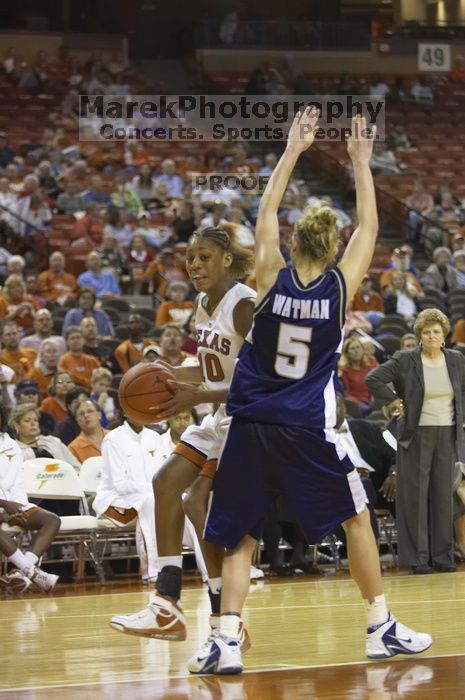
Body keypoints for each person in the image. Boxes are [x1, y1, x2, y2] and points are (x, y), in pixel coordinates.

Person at [191, 111, 432, 674]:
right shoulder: (340, 287)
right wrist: (360, 163)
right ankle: (380, 626)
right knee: (356, 519)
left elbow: (266, 209)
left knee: (243, 533)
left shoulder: (270, 276)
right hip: (306, 427)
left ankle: (226, 639)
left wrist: (293, 150)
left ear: (294, 241)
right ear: (332, 248)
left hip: (250, 424)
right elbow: (370, 227)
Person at [109, 223, 256, 660]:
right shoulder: (202, 303)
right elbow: (209, 370)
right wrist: (163, 378)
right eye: (190, 257)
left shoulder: (244, 304)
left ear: (227, 259)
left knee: (197, 504)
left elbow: (262, 381)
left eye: (203, 256)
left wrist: (197, 396)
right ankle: (167, 601)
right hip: (217, 413)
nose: (193, 264)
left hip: (245, 419)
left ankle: (221, 621)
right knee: (164, 483)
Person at [366, 308, 465, 575]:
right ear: (419, 335)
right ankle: (419, 559)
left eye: (436, 331)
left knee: (443, 497)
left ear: (444, 335)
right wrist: (394, 401)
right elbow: (373, 378)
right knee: (416, 499)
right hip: (414, 435)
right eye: (426, 332)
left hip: (447, 434)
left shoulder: (456, 359)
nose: (431, 336)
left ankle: (443, 557)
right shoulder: (405, 359)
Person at [0, 405, 61, 595]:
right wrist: (3, 510)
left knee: (52, 519)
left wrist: (17, 509)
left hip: (14, 503)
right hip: (3, 505)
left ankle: (22, 572)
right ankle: (31, 571)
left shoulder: (12, 445)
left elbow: (18, 483)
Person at [68, 399, 108, 463]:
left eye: (90, 411)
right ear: (77, 420)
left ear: (99, 415)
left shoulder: (114, 436)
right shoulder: (73, 448)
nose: (86, 415)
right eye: (81, 414)